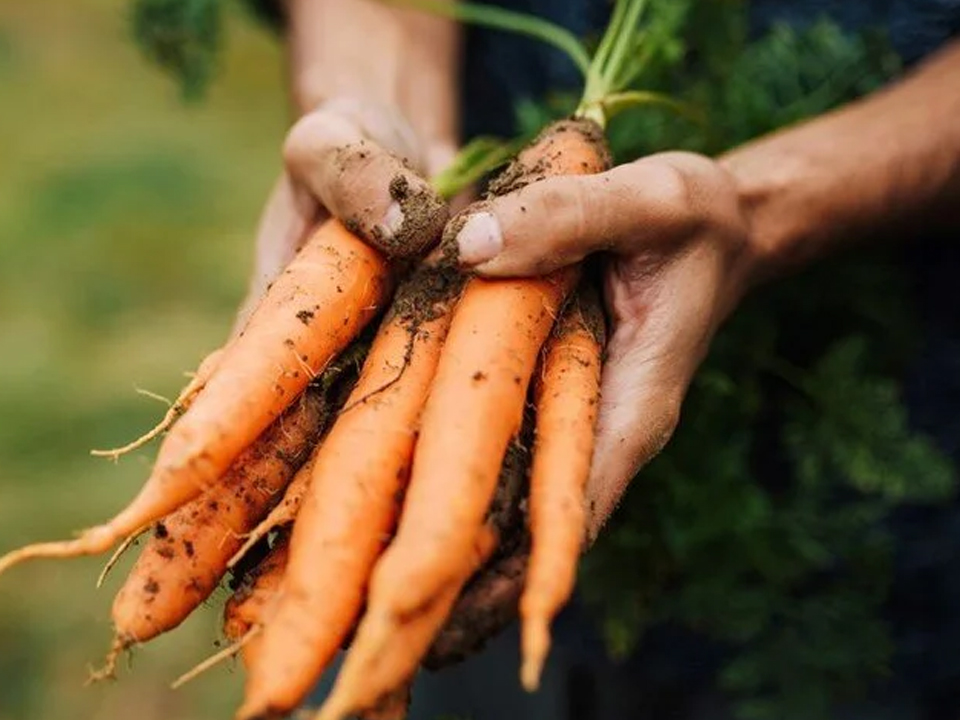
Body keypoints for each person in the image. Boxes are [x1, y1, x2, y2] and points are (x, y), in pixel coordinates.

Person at [233, 0, 960, 717]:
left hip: (851, 523)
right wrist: (372, 112)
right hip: (459, 218)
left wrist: (754, 208)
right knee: (393, 622)